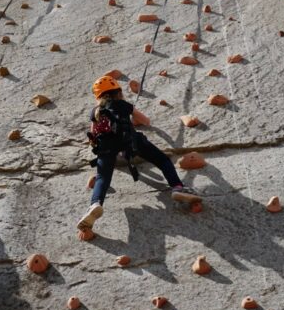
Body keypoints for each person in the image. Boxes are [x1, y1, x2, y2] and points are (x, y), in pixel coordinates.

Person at [78, 75, 200, 234]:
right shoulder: (124, 105)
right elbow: (146, 121)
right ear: (118, 92)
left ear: (98, 96)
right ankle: (177, 187)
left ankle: (95, 204)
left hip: (106, 148)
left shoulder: (95, 111)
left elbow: (93, 134)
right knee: (162, 160)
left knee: (102, 178)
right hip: (131, 143)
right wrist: (133, 120)